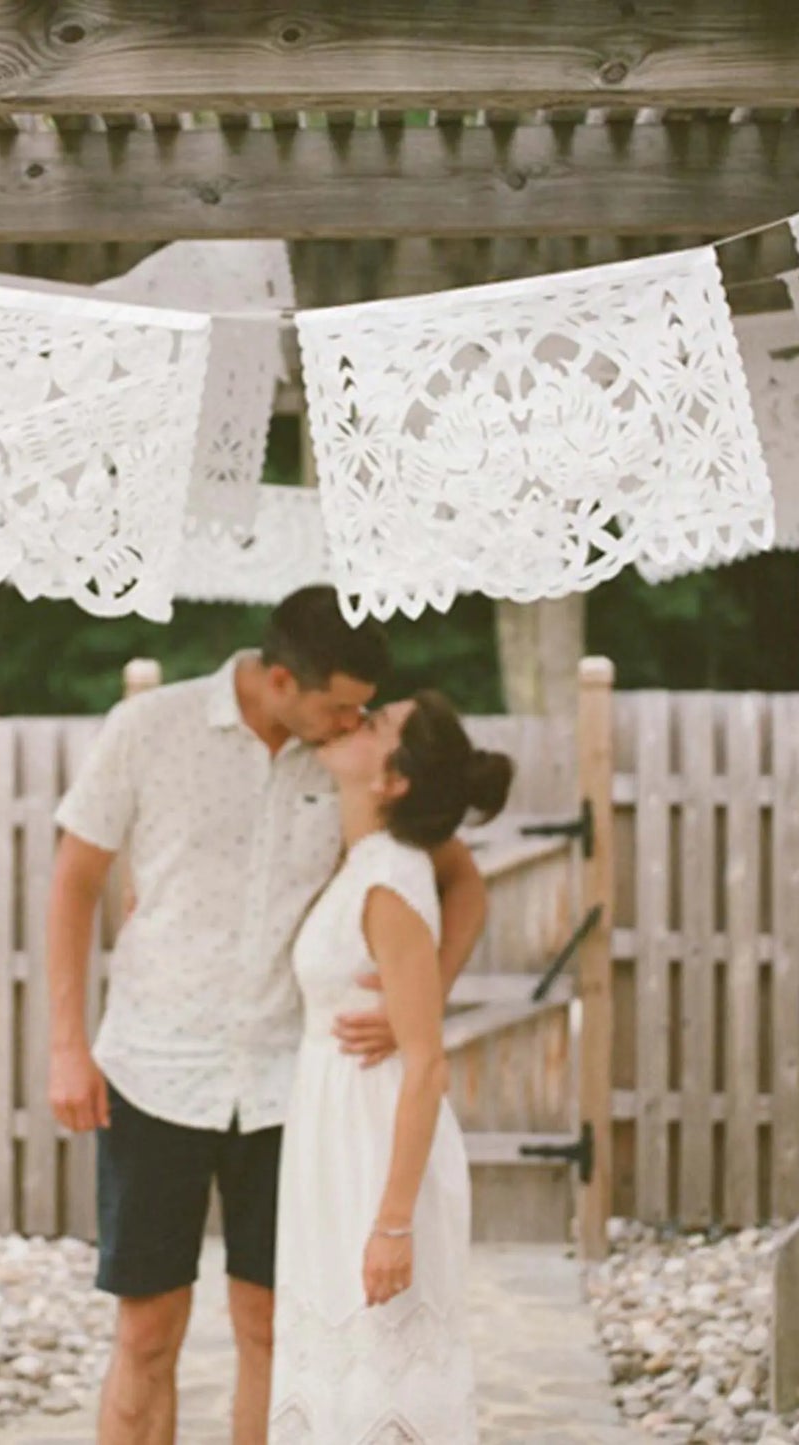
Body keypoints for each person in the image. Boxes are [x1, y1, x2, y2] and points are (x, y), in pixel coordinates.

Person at [45, 586, 489, 1445]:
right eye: (342, 706)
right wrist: (67, 1043)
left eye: (364, 711)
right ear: (282, 679)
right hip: (154, 1066)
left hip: (292, 1087)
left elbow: (461, 882)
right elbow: (73, 881)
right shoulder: (150, 729)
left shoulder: (353, 766)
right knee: (144, 1332)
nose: (354, 722)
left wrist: (413, 1003)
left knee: (269, 1328)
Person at [269, 692, 512, 1443]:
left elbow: (427, 1065)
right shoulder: (366, 862)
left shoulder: (391, 881)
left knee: (383, 1371)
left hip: (374, 1142)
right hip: (331, 1131)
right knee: (339, 1369)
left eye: (373, 725)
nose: (354, 720)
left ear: (393, 780)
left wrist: (392, 1225)